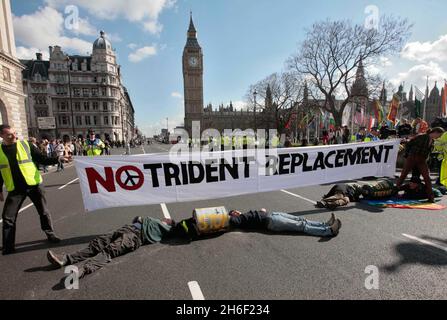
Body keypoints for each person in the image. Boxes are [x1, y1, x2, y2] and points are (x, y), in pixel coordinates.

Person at [46, 209, 341, 279]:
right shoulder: (167, 224)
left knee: (109, 251)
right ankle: (68, 259)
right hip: (127, 227)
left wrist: (197, 223)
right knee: (99, 241)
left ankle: (79, 271)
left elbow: (191, 228)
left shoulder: (168, 231)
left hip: (134, 234)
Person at [0, 125, 71, 255]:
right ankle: (8, 246)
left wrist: (57, 159)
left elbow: (42, 158)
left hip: (34, 185)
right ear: (1, 136)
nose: (14, 136)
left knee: (43, 211)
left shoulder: (26, 145)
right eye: (10, 135)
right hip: (16, 189)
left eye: (15, 133)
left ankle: (50, 234)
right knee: (8, 217)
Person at [396, 127, 445, 203]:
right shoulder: (422, 136)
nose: (439, 137)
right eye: (439, 135)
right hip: (413, 157)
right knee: (403, 175)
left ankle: (431, 197)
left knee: (427, 178)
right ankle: (394, 192)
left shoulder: (432, 141)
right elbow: (409, 143)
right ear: (435, 132)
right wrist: (408, 155)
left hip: (422, 159)